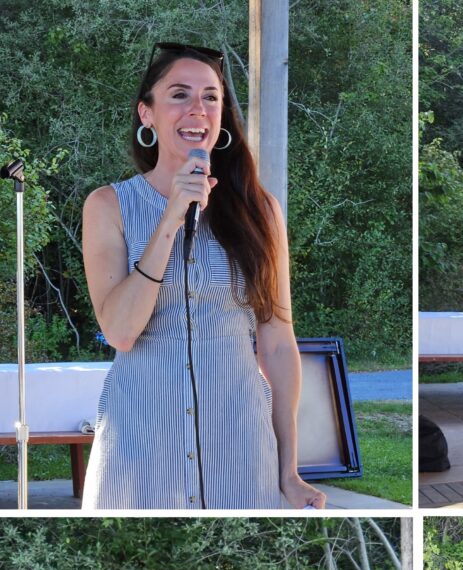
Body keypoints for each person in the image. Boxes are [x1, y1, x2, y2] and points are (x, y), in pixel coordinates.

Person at [81, 42, 326, 510]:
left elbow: (276, 341)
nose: (198, 108)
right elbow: (120, 331)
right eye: (179, 94)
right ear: (146, 113)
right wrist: (171, 217)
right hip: (140, 440)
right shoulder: (107, 206)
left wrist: (289, 470)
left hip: (241, 439)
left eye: (211, 97)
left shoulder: (260, 210)